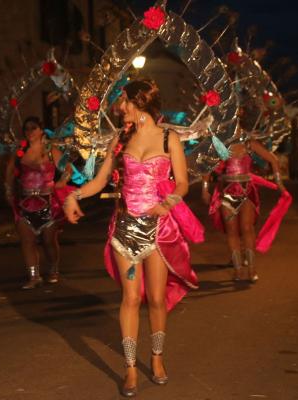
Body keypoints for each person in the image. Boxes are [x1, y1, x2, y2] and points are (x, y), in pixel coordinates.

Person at [63, 79, 204, 397]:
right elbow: (99, 181)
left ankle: (156, 358)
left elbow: (182, 183)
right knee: (129, 298)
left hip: (158, 230)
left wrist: (166, 203)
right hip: (124, 229)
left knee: (155, 298)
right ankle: (129, 369)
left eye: (125, 101)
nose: (120, 106)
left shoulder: (170, 138)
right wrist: (74, 195)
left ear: (139, 103)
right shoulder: (120, 139)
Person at [203, 136, 291, 282]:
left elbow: (273, 159)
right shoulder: (220, 144)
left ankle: (251, 268)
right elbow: (207, 165)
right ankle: (238, 269)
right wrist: (205, 189)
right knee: (231, 231)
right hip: (227, 192)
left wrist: (279, 183)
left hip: (247, 192)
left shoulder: (249, 144)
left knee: (247, 228)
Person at [5, 116, 72, 289]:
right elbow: (10, 171)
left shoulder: (51, 149)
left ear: (41, 129)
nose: (30, 132)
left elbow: (68, 169)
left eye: (33, 128)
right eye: (26, 129)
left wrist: (62, 182)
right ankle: (34, 277)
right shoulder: (20, 150)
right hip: (25, 202)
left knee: (49, 242)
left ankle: (54, 269)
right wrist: (8, 191)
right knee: (27, 241)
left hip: (48, 202)